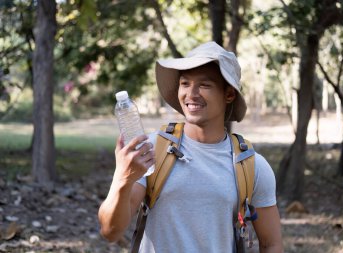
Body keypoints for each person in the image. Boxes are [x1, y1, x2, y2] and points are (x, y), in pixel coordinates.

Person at [98, 41, 283, 252]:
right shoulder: (151, 150)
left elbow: (271, 244)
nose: (191, 94)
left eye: (204, 85)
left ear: (229, 94)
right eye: (185, 84)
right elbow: (110, 231)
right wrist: (123, 178)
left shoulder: (251, 165)